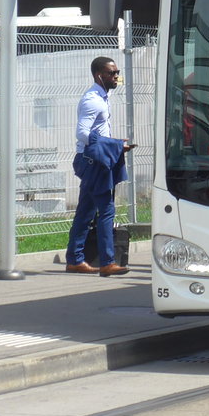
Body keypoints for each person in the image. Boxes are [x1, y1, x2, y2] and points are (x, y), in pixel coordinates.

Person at [65, 56, 131, 277]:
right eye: (112, 73)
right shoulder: (92, 100)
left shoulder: (104, 96)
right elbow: (82, 133)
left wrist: (115, 147)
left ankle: (75, 260)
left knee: (85, 212)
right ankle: (107, 263)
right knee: (106, 211)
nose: (116, 76)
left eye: (116, 72)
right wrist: (111, 146)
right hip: (93, 161)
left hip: (95, 159)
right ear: (99, 75)